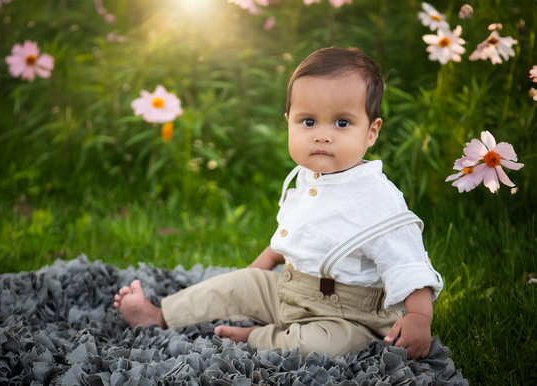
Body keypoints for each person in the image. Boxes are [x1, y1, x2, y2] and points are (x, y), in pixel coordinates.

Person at [114, 47, 444, 360]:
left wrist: (418, 317)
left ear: (371, 132)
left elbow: (408, 263)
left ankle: (257, 338)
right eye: (308, 122)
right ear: (288, 121)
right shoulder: (305, 176)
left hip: (349, 314)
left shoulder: (376, 197)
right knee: (233, 284)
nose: (322, 135)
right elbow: (290, 236)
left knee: (325, 347)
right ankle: (159, 314)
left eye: (342, 123)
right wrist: (254, 273)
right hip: (291, 288)